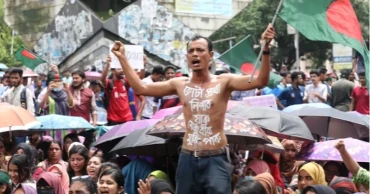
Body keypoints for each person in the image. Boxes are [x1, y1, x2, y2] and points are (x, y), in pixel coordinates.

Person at [111, 24, 275, 194]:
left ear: (210, 56)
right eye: (191, 51)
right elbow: (141, 89)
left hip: (215, 159)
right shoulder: (179, 83)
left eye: (200, 50)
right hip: (187, 158)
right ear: (187, 57)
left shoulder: (224, 81)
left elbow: (260, 81)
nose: (195, 54)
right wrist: (122, 58)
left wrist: (265, 49)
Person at [100, 56, 133, 126]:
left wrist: (143, 66)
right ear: (113, 71)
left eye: (122, 68)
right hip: (113, 119)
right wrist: (108, 64)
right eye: (119, 68)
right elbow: (102, 79)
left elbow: (138, 77)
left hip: (127, 118)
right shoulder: (110, 83)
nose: (122, 70)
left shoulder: (125, 82)